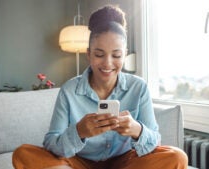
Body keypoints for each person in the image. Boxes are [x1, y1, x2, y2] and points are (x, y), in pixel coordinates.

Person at [12, 5, 188, 169]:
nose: (108, 63)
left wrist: (137, 130)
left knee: (177, 157)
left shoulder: (138, 87)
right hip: (79, 161)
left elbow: (154, 142)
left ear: (124, 55)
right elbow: (51, 144)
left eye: (116, 55)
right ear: (88, 54)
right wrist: (79, 132)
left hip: (125, 162)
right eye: (99, 54)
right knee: (23, 154)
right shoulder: (69, 90)